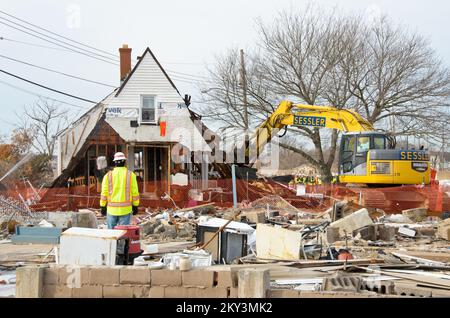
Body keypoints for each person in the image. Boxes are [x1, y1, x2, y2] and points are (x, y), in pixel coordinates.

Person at [100, 152, 140, 229]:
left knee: (111, 235)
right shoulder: (131, 175)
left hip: (111, 210)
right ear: (125, 162)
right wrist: (135, 206)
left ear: (115, 162)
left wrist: (103, 206)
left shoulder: (108, 176)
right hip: (126, 210)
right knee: (123, 234)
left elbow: (104, 193)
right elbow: (135, 193)